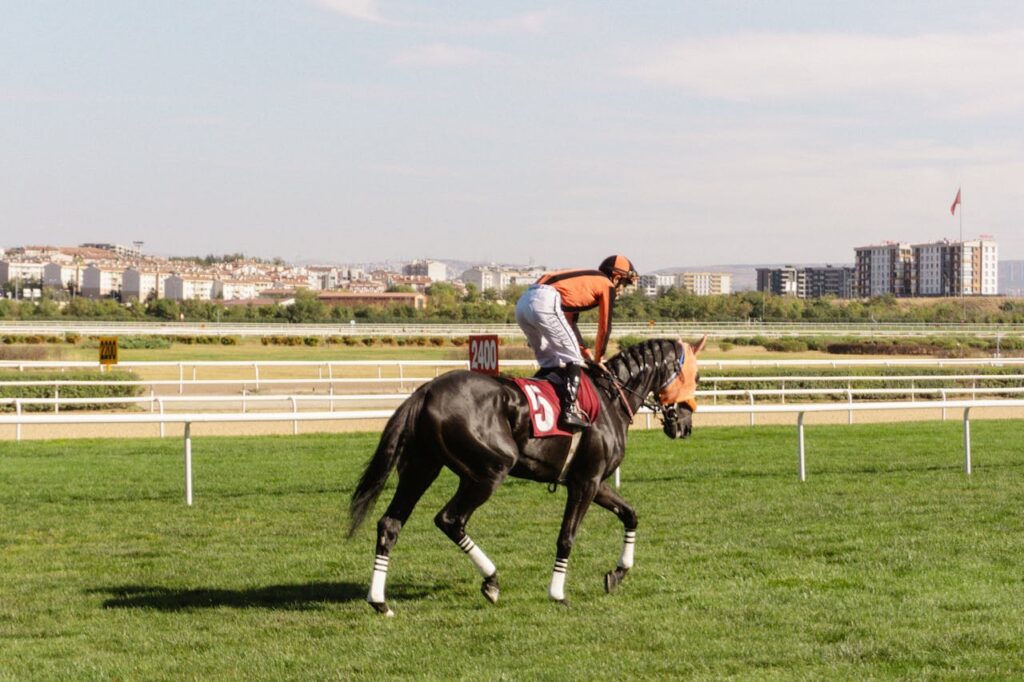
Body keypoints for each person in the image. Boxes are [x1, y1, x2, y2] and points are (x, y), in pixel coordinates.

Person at [515, 255, 638, 429]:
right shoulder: (607, 285)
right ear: (616, 278)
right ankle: (569, 410)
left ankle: (533, 401)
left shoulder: (583, 283)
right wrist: (598, 358)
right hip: (545, 300)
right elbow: (604, 327)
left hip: (524, 302)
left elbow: (570, 324)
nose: (621, 290)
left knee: (550, 360)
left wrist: (586, 353)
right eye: (624, 285)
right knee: (572, 357)